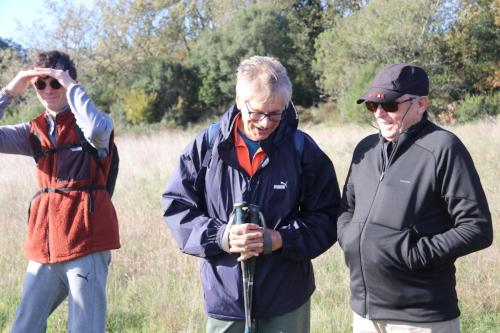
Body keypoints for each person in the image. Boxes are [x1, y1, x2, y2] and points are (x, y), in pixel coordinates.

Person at [162, 55, 340, 332]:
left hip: (286, 298)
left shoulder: (302, 149)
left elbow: (329, 217)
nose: (265, 122)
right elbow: (177, 207)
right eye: (256, 112)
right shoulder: (206, 147)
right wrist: (222, 236)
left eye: (275, 113)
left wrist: (280, 239)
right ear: (238, 99)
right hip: (225, 297)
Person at [337, 63, 493, 333]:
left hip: (420, 319)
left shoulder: (443, 148)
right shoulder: (366, 149)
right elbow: (347, 208)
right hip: (364, 314)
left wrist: (414, 254)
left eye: (390, 106)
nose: (381, 114)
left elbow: (477, 228)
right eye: (373, 107)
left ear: (421, 103)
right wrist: (349, 237)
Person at [0, 50, 120, 332]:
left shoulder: (90, 123)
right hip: (44, 245)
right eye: (40, 83)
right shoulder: (33, 130)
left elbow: (97, 129)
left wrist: (72, 86)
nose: (47, 89)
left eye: (55, 83)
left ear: (69, 83)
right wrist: (9, 91)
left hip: (86, 239)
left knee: (84, 328)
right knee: (23, 327)